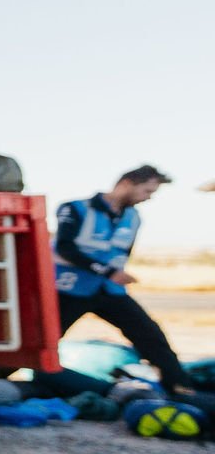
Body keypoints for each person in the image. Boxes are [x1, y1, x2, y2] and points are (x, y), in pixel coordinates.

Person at [46, 165, 193, 395]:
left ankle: (180, 387)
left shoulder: (133, 217)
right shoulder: (75, 208)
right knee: (45, 338)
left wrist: (114, 276)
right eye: (146, 191)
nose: (148, 198)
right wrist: (108, 272)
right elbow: (65, 248)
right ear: (126, 183)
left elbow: (123, 253)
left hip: (110, 291)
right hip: (70, 289)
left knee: (149, 334)